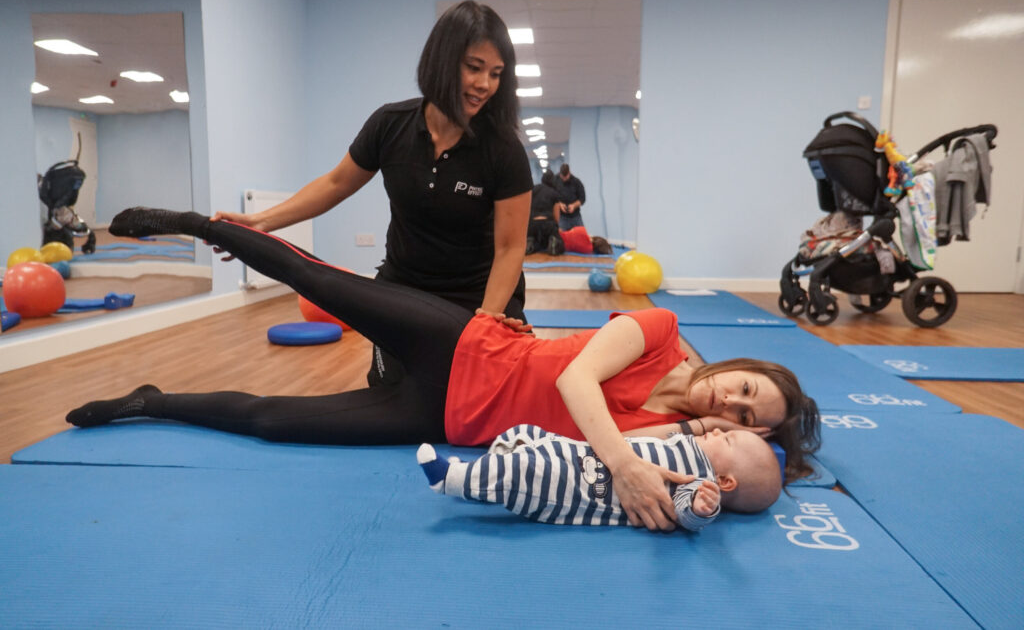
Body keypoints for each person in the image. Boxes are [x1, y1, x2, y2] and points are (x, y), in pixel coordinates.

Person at [66, 206, 820, 532]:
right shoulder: (660, 331)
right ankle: (195, 224)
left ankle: (153, 401)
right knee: (318, 279)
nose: (731, 404)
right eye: (746, 389)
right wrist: (623, 464)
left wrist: (718, 481)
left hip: (443, 418)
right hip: (460, 347)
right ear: (743, 366)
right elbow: (573, 382)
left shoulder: (673, 438)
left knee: (273, 421)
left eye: (746, 418)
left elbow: (694, 488)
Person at [207, 0, 533, 387]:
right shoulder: (390, 125)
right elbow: (335, 184)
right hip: (403, 290)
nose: (485, 85)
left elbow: (510, 248)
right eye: (474, 67)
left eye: (495, 74)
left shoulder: (503, 149)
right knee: (392, 395)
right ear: (443, 61)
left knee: (481, 400)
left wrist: (486, 322)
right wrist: (260, 222)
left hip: (478, 297)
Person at [417, 423, 782, 531]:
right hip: (581, 452)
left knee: (527, 471)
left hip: (576, 489)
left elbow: (686, 513)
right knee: (526, 433)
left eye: (727, 439)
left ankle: (451, 479)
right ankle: (484, 478)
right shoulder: (687, 444)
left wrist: (703, 508)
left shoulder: (699, 482)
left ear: (725, 481)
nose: (717, 432)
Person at [526, 170, 563, 255]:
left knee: (537, 243)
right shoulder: (554, 193)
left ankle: (530, 244)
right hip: (548, 224)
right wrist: (556, 228)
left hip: (532, 224)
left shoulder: (533, 190)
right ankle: (554, 244)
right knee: (556, 242)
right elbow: (556, 216)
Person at [553, 163, 586, 231]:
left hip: (576, 216)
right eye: (563, 177)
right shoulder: (554, 180)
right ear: (560, 174)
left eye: (566, 176)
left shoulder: (576, 182)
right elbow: (551, 196)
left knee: (581, 234)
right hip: (562, 217)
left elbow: (582, 198)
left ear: (569, 173)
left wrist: (574, 205)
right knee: (562, 236)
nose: (564, 179)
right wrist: (559, 204)